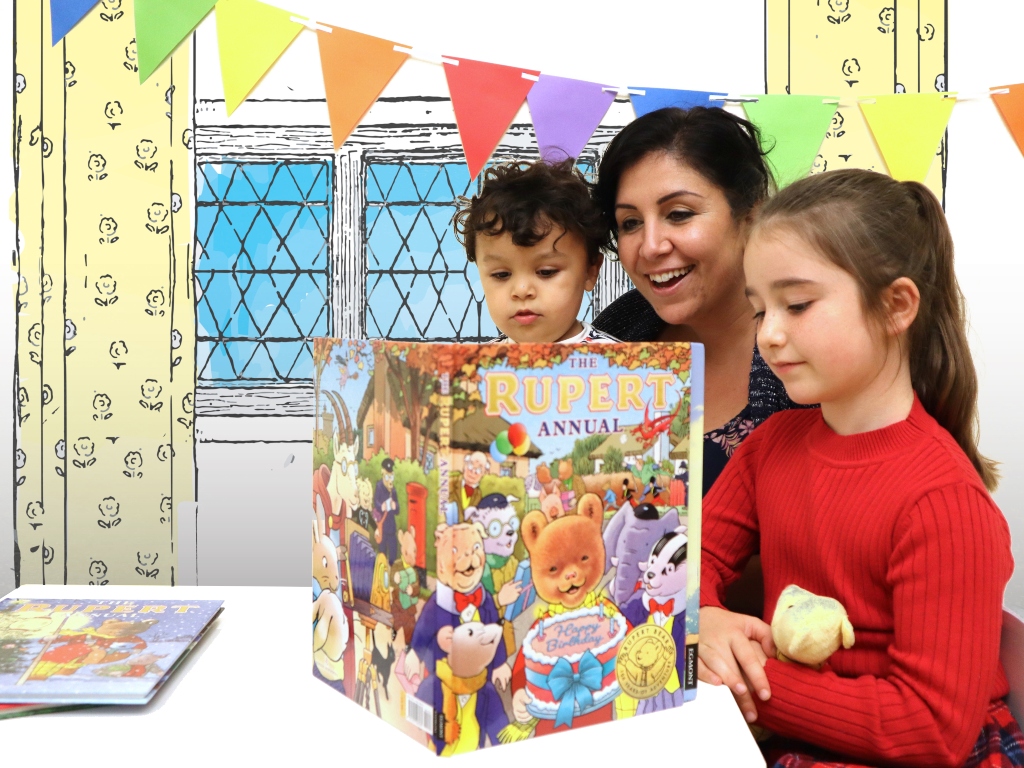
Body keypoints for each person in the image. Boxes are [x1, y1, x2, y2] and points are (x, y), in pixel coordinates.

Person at [698, 169, 1021, 768]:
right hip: (792, 738)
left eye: (796, 305)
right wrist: (704, 621)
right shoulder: (772, 444)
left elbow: (931, 731)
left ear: (895, 306)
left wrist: (747, 682)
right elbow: (686, 561)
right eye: (759, 310)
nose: (769, 334)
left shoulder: (943, 501)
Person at [592, 107, 799, 497]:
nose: (651, 246)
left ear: (751, 216)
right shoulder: (618, 327)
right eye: (630, 223)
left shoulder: (808, 351)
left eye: (679, 214)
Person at [454, 159, 619, 344]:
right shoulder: (473, 366)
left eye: (546, 272)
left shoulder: (625, 365)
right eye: (501, 274)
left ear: (590, 271)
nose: (522, 290)